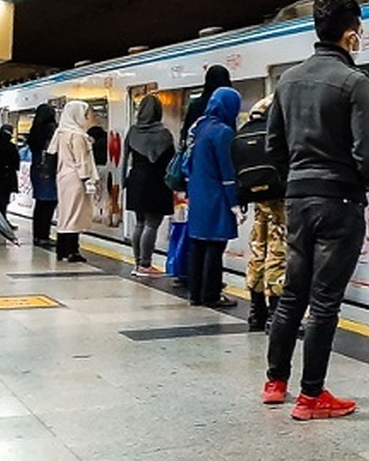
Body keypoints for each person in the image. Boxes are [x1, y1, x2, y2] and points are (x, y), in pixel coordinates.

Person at [264, 0, 369, 421]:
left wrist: (295, 178)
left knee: (293, 293)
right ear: (351, 35)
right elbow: (368, 152)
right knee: (325, 300)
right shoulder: (355, 82)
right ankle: (311, 396)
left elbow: (273, 145)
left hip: (298, 199)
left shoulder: (289, 80)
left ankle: (275, 382)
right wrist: (360, 177)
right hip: (340, 199)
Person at [185, 87, 242, 308]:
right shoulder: (223, 132)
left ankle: (195, 294)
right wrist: (235, 202)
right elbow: (227, 171)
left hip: (198, 194)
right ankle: (211, 294)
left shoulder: (199, 127)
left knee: (198, 245)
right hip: (216, 195)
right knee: (215, 247)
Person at [239, 95, 287, 331]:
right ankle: (275, 313)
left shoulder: (260, 106)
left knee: (259, 248)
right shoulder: (285, 104)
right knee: (279, 252)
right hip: (279, 195)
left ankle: (256, 312)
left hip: (258, 193)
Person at [123, 95, 175, 277]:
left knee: (139, 222)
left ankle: (137, 264)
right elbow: (171, 161)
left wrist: (124, 181)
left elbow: (124, 158)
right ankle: (146, 265)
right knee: (152, 223)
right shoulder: (164, 134)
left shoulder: (133, 131)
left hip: (136, 179)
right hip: (157, 180)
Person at [49, 101, 98, 262]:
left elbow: (51, 152)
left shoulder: (61, 132)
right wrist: (87, 180)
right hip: (76, 179)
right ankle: (72, 251)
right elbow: (81, 160)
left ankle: (61, 250)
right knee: (75, 215)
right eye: (85, 114)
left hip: (63, 177)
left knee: (65, 214)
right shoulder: (77, 135)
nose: (87, 117)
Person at [27, 104, 59, 247]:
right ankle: (44, 236)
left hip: (37, 169)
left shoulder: (34, 130)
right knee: (49, 204)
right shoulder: (52, 128)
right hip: (49, 170)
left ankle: (37, 236)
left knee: (40, 204)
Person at [0, 125, 20, 221]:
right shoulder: (11, 146)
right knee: (4, 199)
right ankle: (2, 219)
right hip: (7, 176)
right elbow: (16, 163)